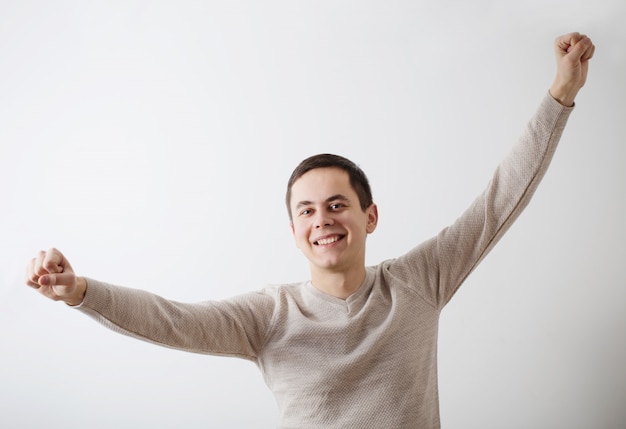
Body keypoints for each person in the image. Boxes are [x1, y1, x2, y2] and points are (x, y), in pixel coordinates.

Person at [25, 32, 595, 429]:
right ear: (294, 232)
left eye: (336, 204)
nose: (321, 219)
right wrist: (80, 292)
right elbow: (172, 322)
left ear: (369, 217)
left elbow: (498, 202)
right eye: (305, 211)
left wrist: (560, 94)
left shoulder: (418, 282)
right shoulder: (267, 317)